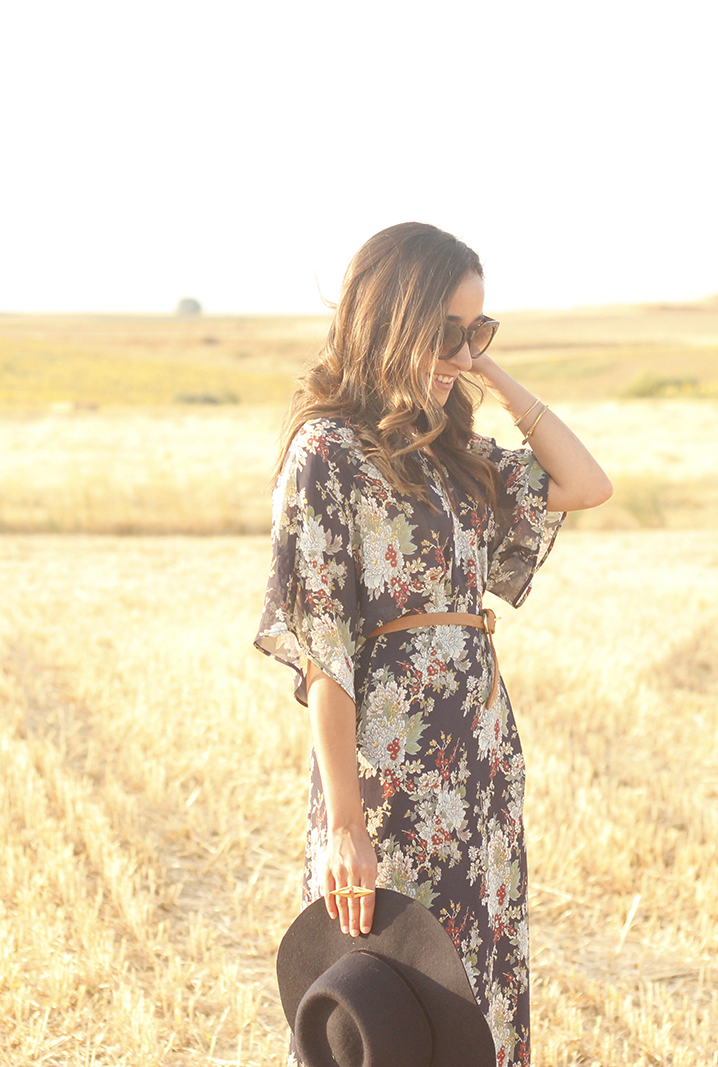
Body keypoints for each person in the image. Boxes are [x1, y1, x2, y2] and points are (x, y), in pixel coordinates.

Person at [255, 221, 611, 1064]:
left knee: (475, 1003)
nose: (462, 348)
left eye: (477, 329)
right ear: (393, 317)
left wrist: (486, 372)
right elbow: (325, 650)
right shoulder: (327, 453)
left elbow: (585, 483)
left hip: (479, 767)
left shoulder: (452, 451)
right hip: (393, 780)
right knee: (395, 1007)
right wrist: (346, 822)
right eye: (447, 329)